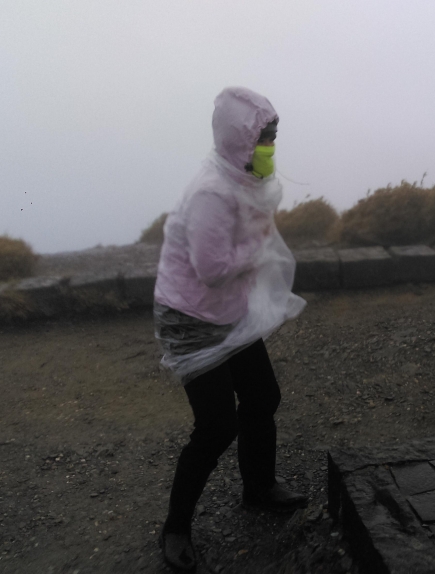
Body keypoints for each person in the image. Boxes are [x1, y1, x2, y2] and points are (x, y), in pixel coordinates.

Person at [152, 86, 307, 572]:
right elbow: (213, 268)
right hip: (190, 318)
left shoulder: (239, 178)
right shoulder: (212, 192)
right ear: (241, 140)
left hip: (227, 309)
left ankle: (258, 488)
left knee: (262, 397)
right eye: (265, 137)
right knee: (217, 425)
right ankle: (175, 529)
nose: (271, 147)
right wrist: (259, 249)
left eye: (274, 137)